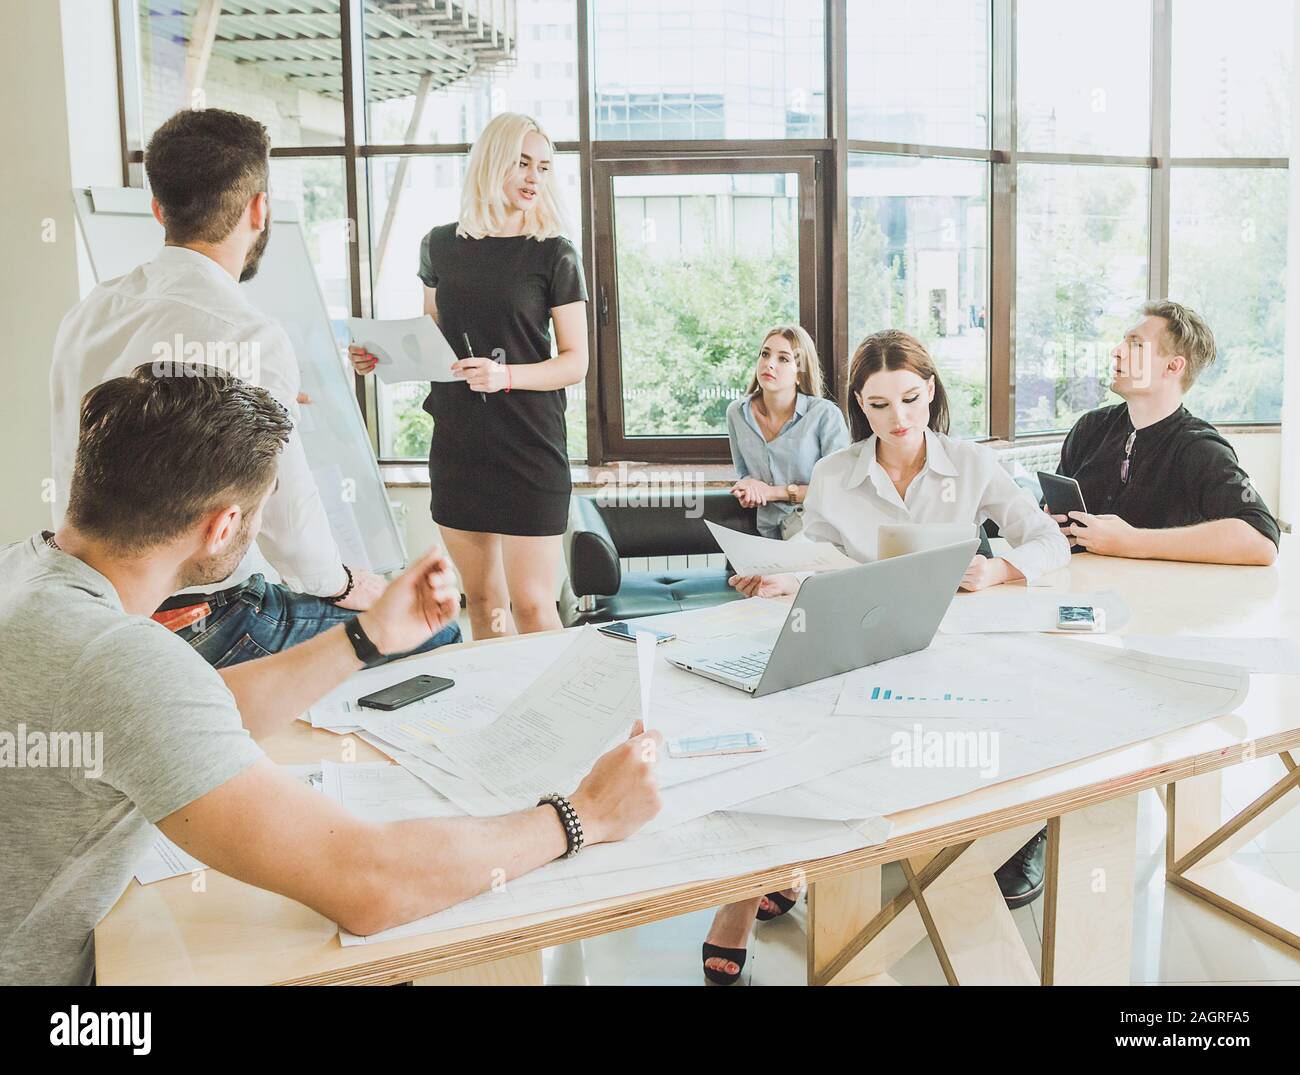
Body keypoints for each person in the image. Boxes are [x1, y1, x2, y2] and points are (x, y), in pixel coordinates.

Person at [0, 364, 662, 986]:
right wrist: (585, 814)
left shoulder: (27, 573)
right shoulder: (117, 657)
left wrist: (364, 637)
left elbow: (190, 708)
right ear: (223, 525)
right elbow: (368, 884)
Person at [700, 331, 1070, 982]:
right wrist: (784, 577)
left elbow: (1046, 538)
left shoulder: (970, 462)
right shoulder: (835, 473)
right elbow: (818, 557)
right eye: (878, 405)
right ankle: (754, 881)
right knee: (782, 721)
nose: (898, 419)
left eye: (910, 398)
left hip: (943, 646)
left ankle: (801, 867)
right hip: (858, 641)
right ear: (857, 406)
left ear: (930, 389)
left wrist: (1001, 568)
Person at [48, 107, 459, 667]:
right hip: (205, 616)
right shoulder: (248, 335)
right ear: (259, 209)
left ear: (158, 210)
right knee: (434, 631)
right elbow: (288, 511)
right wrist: (345, 584)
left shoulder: (90, 312)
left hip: (94, 602)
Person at [350, 113, 588, 640]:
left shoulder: (554, 253)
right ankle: (501, 717)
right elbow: (432, 336)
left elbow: (575, 361)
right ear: (491, 163)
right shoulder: (439, 246)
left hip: (531, 443)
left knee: (532, 605)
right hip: (460, 441)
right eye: (522, 163)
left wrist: (504, 377)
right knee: (482, 601)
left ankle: (557, 718)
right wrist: (380, 357)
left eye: (544, 168)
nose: (533, 178)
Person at [1050, 300, 1279, 565]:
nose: (1116, 351)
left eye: (1135, 344)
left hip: (1157, 601)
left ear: (1173, 366)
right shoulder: (1090, 428)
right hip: (1079, 595)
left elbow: (1262, 540)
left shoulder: (1201, 448)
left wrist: (1131, 541)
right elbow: (1048, 513)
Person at [725, 324, 850, 540]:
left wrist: (772, 492)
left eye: (783, 359)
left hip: (816, 532)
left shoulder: (825, 414)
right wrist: (749, 487)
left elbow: (836, 489)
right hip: (765, 534)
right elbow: (744, 471)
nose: (769, 364)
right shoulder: (736, 413)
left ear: (800, 373)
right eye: (765, 354)